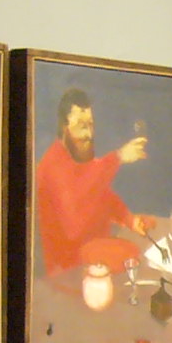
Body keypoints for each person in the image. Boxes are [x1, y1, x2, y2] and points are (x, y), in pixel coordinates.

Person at [35, 89, 151, 276]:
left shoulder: (79, 158)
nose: (89, 134)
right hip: (70, 272)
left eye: (91, 124)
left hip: (95, 258)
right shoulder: (52, 164)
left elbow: (100, 194)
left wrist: (129, 219)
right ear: (64, 127)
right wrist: (118, 157)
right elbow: (74, 219)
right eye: (82, 125)